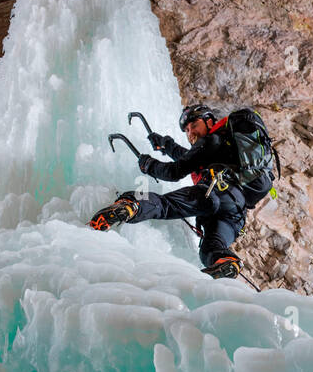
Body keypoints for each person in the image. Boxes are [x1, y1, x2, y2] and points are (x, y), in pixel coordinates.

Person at [88, 104, 274, 278]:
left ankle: (130, 206)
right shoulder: (224, 148)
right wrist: (165, 144)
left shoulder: (211, 140)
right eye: (186, 130)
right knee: (211, 247)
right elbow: (190, 157)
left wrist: (149, 165)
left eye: (194, 125)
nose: (190, 132)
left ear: (210, 121)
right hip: (234, 214)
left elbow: (175, 171)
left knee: (164, 205)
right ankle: (226, 262)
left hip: (213, 193)